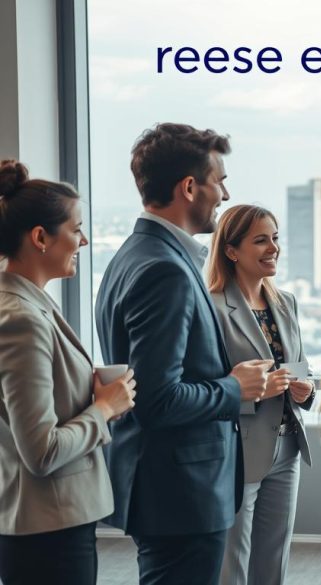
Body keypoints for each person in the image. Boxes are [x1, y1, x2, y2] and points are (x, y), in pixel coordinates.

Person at [95, 124, 274, 585]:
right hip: (181, 493)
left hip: (163, 485)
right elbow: (158, 399)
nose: (226, 193)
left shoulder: (133, 254)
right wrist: (235, 387)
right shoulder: (164, 269)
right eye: (220, 181)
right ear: (189, 187)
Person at [0, 160, 136, 585]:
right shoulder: (22, 318)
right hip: (47, 531)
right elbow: (41, 451)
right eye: (76, 229)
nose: (85, 240)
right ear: (41, 237)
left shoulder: (29, 304)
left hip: (46, 524)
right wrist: (104, 408)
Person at [208, 205, 315, 585]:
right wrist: (252, 393)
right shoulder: (213, 307)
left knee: (273, 561)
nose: (273, 247)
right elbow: (208, 385)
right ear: (232, 250)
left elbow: (299, 364)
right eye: (260, 240)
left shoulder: (285, 302)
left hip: (286, 448)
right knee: (232, 562)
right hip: (239, 450)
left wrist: (305, 388)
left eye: (275, 238)